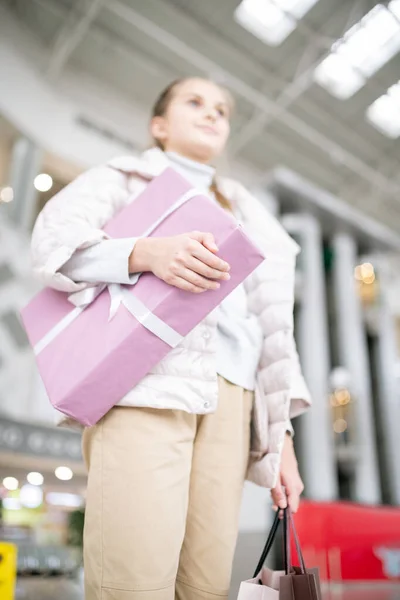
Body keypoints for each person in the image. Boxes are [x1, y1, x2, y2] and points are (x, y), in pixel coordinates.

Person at [31, 78, 312, 600]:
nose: (212, 114)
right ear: (159, 125)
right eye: (195, 102)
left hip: (235, 398)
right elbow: (53, 243)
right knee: (133, 579)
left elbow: (272, 330)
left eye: (222, 109)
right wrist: (144, 253)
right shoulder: (123, 178)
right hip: (148, 383)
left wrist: (281, 442)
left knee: (205, 584)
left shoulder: (253, 216)